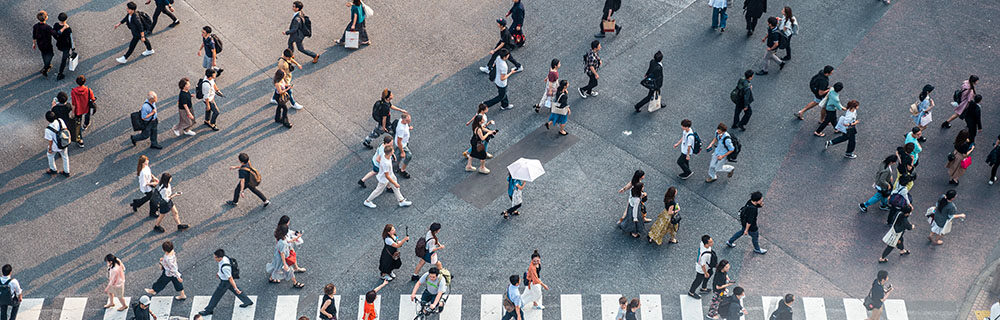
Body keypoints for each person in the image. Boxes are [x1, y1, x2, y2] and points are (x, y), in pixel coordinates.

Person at [198, 249, 253, 316]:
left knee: (216, 296)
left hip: (225, 282)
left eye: (215, 257)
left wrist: (235, 288)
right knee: (235, 289)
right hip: (226, 280)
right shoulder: (225, 258)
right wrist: (219, 273)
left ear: (220, 257)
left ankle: (209, 310)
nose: (214, 258)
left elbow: (230, 278)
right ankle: (247, 301)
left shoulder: (225, 268)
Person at [32, 11, 66, 77]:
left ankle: (46, 64)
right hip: (47, 45)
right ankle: (46, 67)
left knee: (43, 54)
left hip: (40, 44)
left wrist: (34, 44)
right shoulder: (47, 27)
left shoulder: (35, 26)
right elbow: (55, 34)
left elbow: (34, 36)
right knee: (50, 54)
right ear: (46, 18)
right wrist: (63, 29)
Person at [70, 75, 96, 146]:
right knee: (87, 116)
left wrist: (73, 112)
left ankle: (80, 140)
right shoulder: (88, 90)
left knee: (78, 124)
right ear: (84, 82)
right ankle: (85, 125)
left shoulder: (74, 91)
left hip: (78, 109)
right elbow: (93, 99)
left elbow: (73, 103)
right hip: (87, 107)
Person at [687, 235, 715, 299]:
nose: (712, 243)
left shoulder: (702, 243)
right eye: (710, 242)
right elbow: (703, 265)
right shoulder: (705, 255)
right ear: (706, 244)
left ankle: (703, 287)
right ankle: (691, 292)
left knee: (710, 273)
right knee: (698, 280)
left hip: (707, 266)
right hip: (702, 268)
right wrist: (705, 273)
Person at [44, 111, 70, 176]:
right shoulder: (60, 120)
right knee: (65, 157)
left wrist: (50, 149)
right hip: (63, 143)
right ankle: (66, 171)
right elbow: (65, 129)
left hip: (55, 146)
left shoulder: (48, 129)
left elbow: (50, 141)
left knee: (50, 156)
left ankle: (53, 169)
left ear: (47, 119)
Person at [52, 13, 73, 81]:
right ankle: (60, 73)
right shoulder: (68, 29)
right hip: (66, 45)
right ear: (66, 19)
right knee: (63, 59)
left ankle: (68, 56)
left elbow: (54, 34)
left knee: (65, 55)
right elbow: (71, 39)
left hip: (59, 44)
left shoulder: (56, 25)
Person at [395, 113, 413, 178]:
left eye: (410, 120)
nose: (409, 121)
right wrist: (402, 151)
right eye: (408, 121)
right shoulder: (401, 129)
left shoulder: (402, 121)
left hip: (404, 143)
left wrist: (408, 128)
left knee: (398, 157)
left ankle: (396, 168)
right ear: (403, 120)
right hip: (402, 145)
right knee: (408, 156)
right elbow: (399, 141)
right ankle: (402, 170)